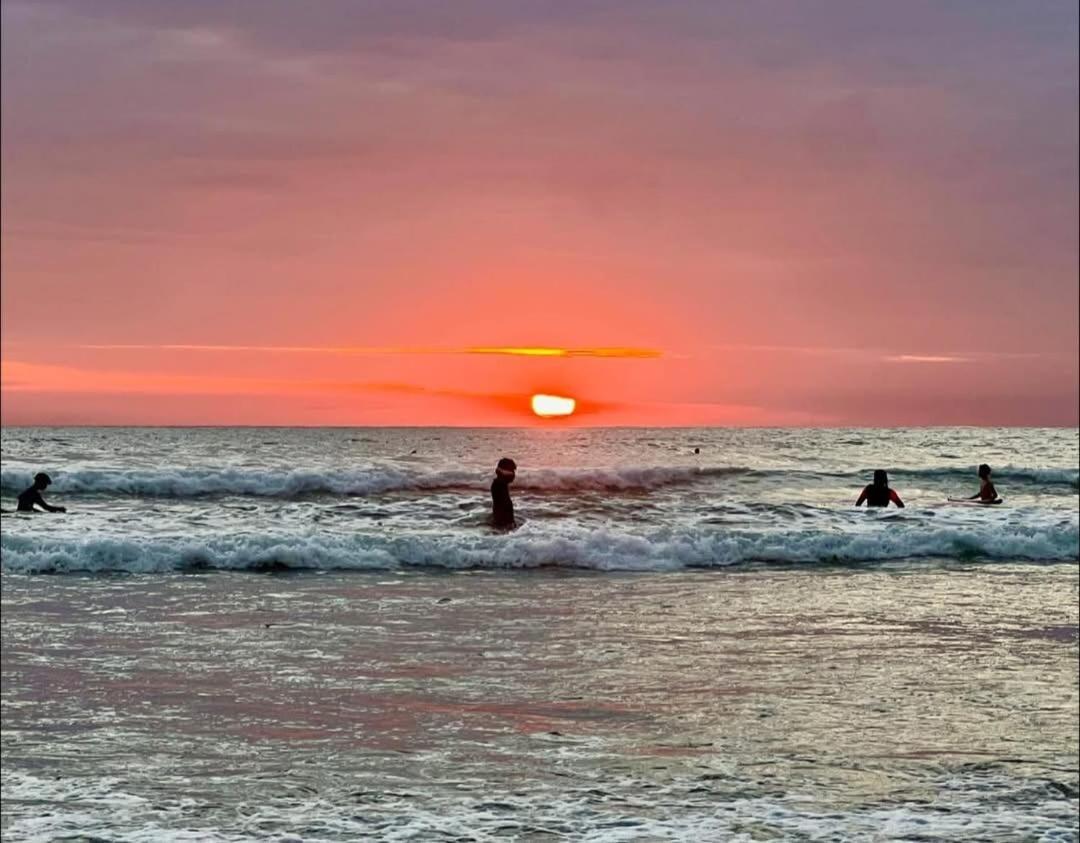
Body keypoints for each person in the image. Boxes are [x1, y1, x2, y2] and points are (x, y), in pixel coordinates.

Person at [491, 457, 516, 529]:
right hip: (503, 526)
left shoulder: (499, 485)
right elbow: (503, 510)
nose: (514, 474)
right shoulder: (500, 486)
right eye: (512, 471)